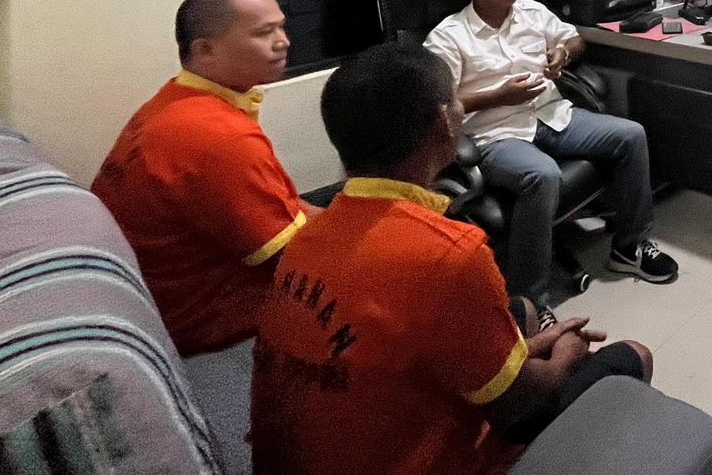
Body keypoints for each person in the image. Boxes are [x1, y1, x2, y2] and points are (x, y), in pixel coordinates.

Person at [251, 42, 652, 475]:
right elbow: (517, 407)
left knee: (525, 312)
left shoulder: (308, 232)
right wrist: (567, 352)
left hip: (295, 459)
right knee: (635, 354)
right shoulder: (449, 253)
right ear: (446, 122)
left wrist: (527, 352)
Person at [424, 0, 678, 311]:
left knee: (630, 135)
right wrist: (498, 96)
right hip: (497, 133)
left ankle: (629, 247)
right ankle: (530, 302)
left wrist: (564, 54)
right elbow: (441, 105)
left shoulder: (531, 12)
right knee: (543, 174)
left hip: (551, 114)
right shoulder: (449, 36)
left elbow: (573, 39)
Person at [92, 0, 310, 357]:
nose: (283, 42)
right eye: (264, 33)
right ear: (205, 49)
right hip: (200, 316)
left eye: (281, 27)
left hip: (157, 291)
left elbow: (277, 206)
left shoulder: (177, 98)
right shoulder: (217, 136)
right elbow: (289, 255)